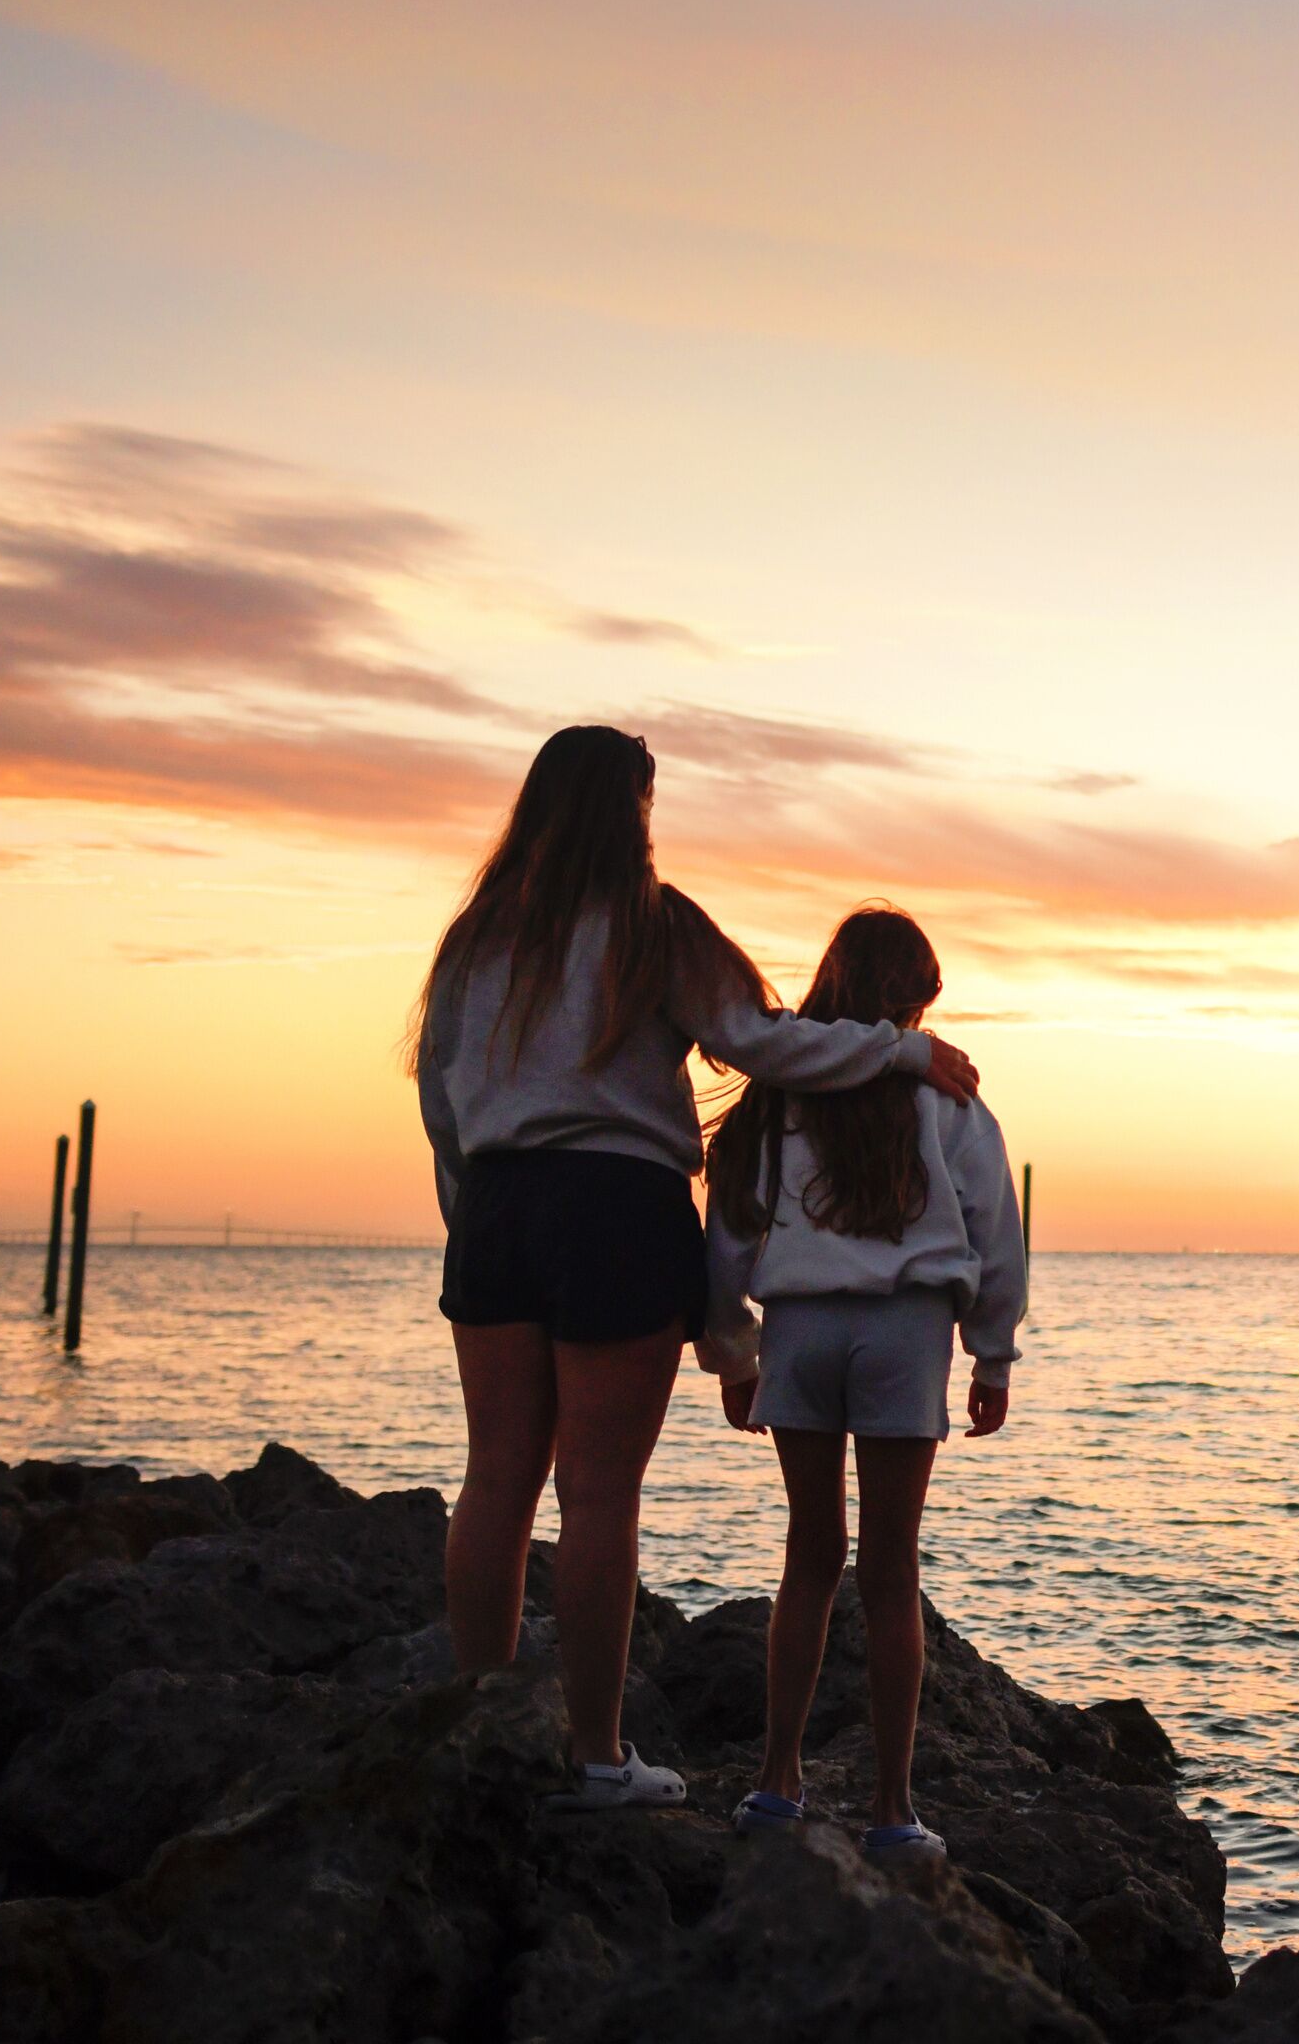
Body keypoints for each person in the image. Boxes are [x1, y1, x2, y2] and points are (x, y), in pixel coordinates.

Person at [413, 727, 979, 1810]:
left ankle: (476, 1727)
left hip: (495, 1207)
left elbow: (441, 1102)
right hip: (617, 1211)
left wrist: (470, 1214)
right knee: (598, 1492)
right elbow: (767, 1042)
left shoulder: (475, 940)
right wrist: (897, 1048)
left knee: (497, 1477)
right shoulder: (652, 925)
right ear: (631, 810)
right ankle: (593, 1756)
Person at [697, 902, 1026, 1856]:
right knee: (889, 1571)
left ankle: (776, 1783)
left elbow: (731, 1233)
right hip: (905, 1333)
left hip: (800, 1328)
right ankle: (891, 1809)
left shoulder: (775, 1097)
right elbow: (994, 1230)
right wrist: (992, 1352)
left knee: (809, 1555)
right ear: (909, 1005)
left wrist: (731, 1347)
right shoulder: (948, 1099)